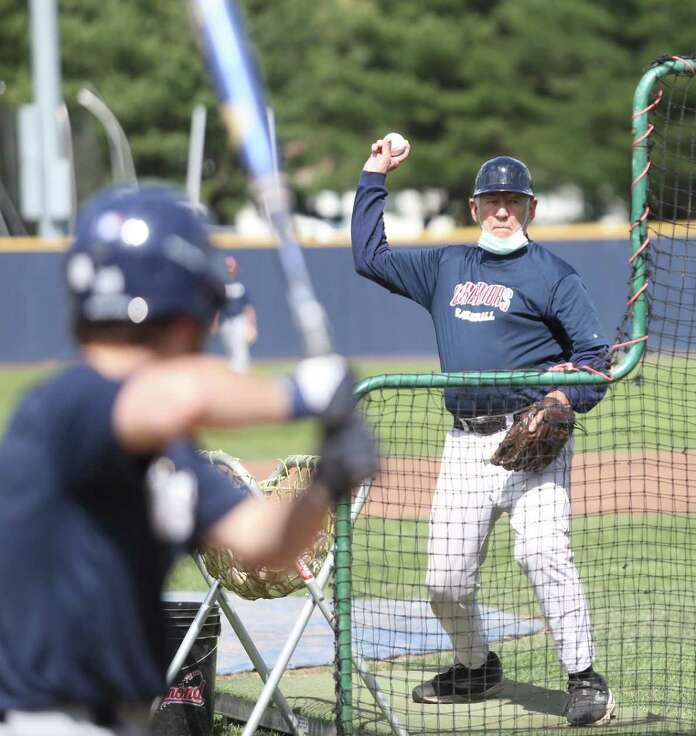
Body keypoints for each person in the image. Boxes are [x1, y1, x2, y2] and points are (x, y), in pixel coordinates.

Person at [0, 185, 377, 736]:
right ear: (188, 310)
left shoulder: (163, 447)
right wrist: (297, 395)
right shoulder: (67, 406)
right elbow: (166, 395)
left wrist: (327, 483)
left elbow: (263, 543)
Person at [351, 139, 616, 727]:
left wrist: (562, 398)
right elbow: (370, 258)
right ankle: (475, 666)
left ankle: (584, 677)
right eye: (492, 200)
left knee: (542, 551)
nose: (502, 210)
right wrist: (374, 175)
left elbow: (596, 362)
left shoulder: (555, 277)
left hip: (533, 450)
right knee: (444, 581)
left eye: (513, 201)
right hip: (466, 446)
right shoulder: (446, 266)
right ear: (474, 208)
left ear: (531, 208)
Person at [216, 256, 257, 373]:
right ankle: (234, 376)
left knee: (240, 350)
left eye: (231, 266)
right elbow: (217, 307)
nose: (229, 269)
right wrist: (215, 322)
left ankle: (242, 376)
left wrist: (252, 324)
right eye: (227, 266)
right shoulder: (220, 285)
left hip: (239, 321)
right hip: (225, 322)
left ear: (236, 267)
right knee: (229, 350)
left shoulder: (241, 284)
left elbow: (248, 307)